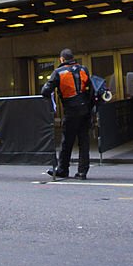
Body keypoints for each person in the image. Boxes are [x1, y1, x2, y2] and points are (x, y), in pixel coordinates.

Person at [41, 48, 96, 179]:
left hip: (71, 109)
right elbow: (91, 89)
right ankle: (82, 172)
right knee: (84, 140)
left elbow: (45, 90)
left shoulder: (58, 72)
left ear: (62, 59)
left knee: (67, 141)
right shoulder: (83, 69)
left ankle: (63, 169)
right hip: (85, 108)